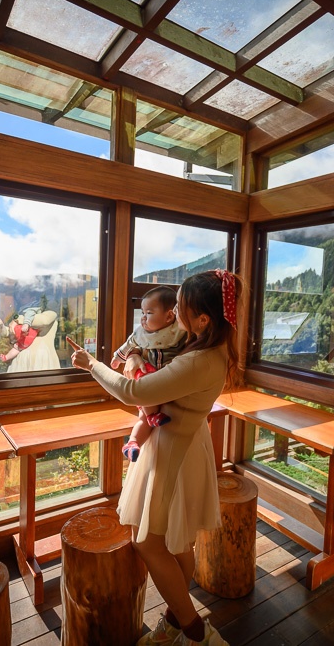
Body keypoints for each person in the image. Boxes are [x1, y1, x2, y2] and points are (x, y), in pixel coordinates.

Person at [70, 269, 241, 646]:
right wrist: (132, 354)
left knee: (148, 542)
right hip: (186, 442)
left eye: (182, 306)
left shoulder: (197, 360)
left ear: (202, 319)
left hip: (173, 453)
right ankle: (176, 620)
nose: (176, 311)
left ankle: (195, 632)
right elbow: (147, 361)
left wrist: (91, 365)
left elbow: (134, 392)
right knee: (178, 541)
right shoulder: (209, 347)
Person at [112, 286, 187, 463]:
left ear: (169, 316)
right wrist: (118, 358)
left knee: (144, 419)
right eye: (142, 313)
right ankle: (137, 437)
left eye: (149, 313)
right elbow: (128, 345)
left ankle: (133, 442)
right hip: (148, 379)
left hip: (167, 387)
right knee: (144, 411)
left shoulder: (180, 331)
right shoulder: (141, 333)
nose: (143, 318)